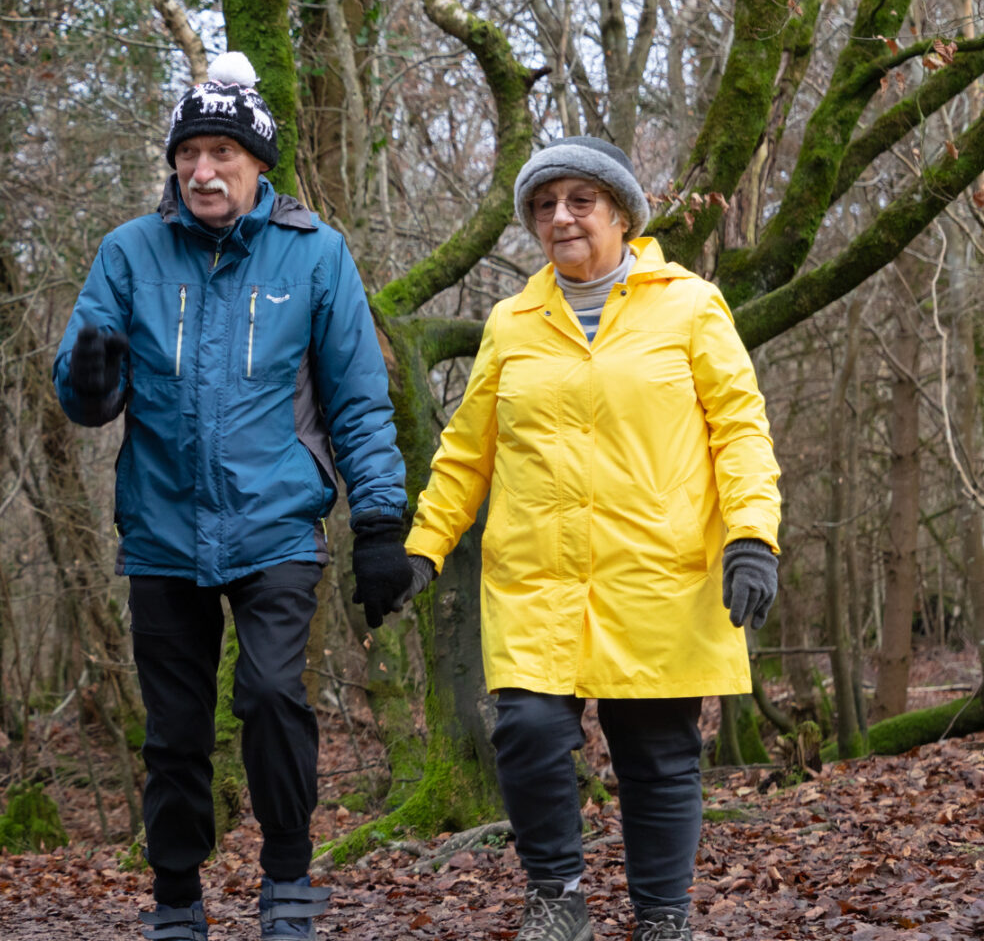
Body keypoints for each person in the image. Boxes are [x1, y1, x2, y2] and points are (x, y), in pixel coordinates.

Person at [367, 136, 781, 941]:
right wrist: (422, 546)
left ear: (622, 214)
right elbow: (467, 450)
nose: (561, 217)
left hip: (655, 575)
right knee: (525, 732)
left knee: (658, 755)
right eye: (544, 206)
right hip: (536, 578)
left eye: (580, 201)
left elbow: (740, 432)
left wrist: (752, 538)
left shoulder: (689, 305)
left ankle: (663, 918)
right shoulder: (511, 323)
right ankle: (556, 898)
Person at [54, 53, 408, 941]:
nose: (203, 171)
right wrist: (88, 377)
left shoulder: (315, 255)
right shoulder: (130, 252)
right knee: (174, 730)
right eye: (189, 154)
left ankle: (288, 880)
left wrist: (379, 520)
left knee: (271, 696)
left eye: (222, 152)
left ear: (257, 163)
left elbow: (359, 398)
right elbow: (88, 398)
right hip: (163, 524)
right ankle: (177, 899)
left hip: (277, 521)